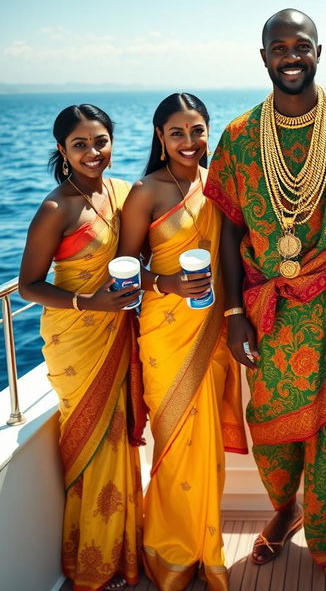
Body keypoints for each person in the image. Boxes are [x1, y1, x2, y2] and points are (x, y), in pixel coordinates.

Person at [205, 8, 326, 577]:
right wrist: (234, 311)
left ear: (319, 51)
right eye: (279, 47)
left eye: (301, 45)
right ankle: (284, 508)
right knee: (273, 436)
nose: (291, 56)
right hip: (268, 312)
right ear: (263, 56)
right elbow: (228, 228)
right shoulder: (240, 136)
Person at [117, 93, 247, 591]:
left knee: (205, 446)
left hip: (212, 329)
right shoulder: (146, 192)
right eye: (177, 133)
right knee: (173, 445)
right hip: (166, 335)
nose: (189, 142)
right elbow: (125, 274)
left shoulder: (219, 187)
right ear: (160, 137)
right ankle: (170, 552)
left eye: (197, 131)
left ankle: (205, 549)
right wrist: (167, 283)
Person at [19, 105, 144, 591]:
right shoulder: (57, 207)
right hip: (76, 335)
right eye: (80, 145)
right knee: (94, 438)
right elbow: (29, 284)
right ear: (62, 150)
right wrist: (88, 302)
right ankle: (93, 559)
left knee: (120, 434)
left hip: (117, 326)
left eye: (101, 142)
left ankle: (125, 546)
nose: (93, 153)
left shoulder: (122, 193)